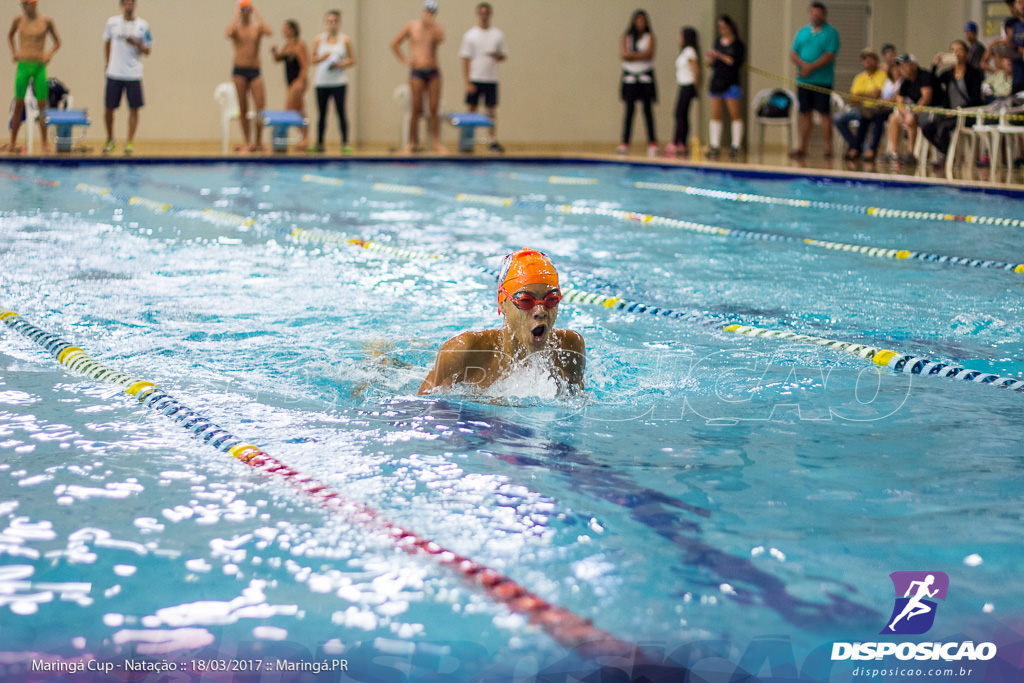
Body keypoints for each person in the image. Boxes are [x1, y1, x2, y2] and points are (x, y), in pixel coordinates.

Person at [418, 249, 585, 396]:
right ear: (502, 302)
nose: (540, 312)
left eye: (551, 300)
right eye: (526, 300)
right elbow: (422, 410)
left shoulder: (570, 348)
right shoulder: (463, 351)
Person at [391, 0, 446, 155]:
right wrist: (405, 60)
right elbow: (395, 43)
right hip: (417, 71)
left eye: (432, 12)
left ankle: (436, 142)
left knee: (434, 109)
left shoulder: (437, 28)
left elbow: (441, 39)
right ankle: (412, 141)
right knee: (416, 108)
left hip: (434, 71)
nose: (429, 14)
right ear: (423, 11)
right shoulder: (412, 26)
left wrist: (431, 27)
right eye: (427, 11)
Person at [6, 0, 61, 154]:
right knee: (18, 105)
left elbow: (57, 42)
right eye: (22, 5)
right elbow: (10, 35)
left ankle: (44, 144)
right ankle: (12, 143)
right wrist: (14, 52)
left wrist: (49, 54)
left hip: (39, 67)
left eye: (26, 4)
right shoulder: (18, 20)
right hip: (23, 65)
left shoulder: (46, 21)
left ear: (34, 4)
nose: (24, 8)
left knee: (42, 106)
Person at [790, 2, 841, 159]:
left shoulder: (831, 33)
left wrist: (811, 67)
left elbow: (829, 54)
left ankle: (828, 148)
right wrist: (803, 65)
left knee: (824, 113)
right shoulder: (802, 32)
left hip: (822, 81)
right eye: (813, 13)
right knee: (805, 114)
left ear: (824, 15)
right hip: (804, 81)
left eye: (819, 14)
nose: (816, 16)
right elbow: (793, 53)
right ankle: (802, 147)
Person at [102, 0, 151, 156]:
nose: (128, 6)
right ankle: (110, 139)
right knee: (109, 108)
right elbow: (107, 43)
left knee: (134, 108)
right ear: (122, 5)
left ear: (135, 5)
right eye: (126, 3)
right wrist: (107, 65)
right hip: (114, 72)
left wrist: (136, 43)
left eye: (131, 3)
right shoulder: (112, 23)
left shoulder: (143, 25)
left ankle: (129, 142)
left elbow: (148, 50)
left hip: (133, 74)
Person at [922, 40, 983, 161]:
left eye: (959, 50)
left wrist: (959, 110)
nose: (956, 53)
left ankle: (946, 157)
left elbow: (976, 97)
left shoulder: (974, 73)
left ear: (966, 53)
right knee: (927, 127)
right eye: (953, 50)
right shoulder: (948, 74)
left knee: (943, 127)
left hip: (966, 113)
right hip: (950, 113)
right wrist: (935, 66)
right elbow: (933, 85)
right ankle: (946, 151)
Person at [459, 2, 506, 154]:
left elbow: (503, 56)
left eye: (486, 14)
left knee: (491, 110)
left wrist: (496, 55)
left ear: (490, 15)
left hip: (490, 78)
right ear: (478, 15)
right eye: (481, 13)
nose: (484, 16)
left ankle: (492, 141)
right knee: (471, 109)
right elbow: (465, 59)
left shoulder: (497, 35)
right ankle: (467, 141)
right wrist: (467, 81)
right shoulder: (470, 35)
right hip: (475, 77)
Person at [226, 0, 271, 154]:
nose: (245, 12)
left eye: (247, 9)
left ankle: (258, 141)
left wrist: (257, 13)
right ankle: (247, 142)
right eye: (243, 10)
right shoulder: (236, 28)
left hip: (255, 71)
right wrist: (236, 16)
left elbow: (269, 31)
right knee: (243, 108)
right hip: (239, 71)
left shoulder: (257, 28)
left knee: (260, 108)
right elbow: (228, 33)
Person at [834, 48, 887, 161]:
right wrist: (866, 96)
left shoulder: (881, 75)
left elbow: (876, 95)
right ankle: (856, 145)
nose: (867, 61)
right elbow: (853, 100)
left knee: (868, 119)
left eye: (870, 59)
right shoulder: (859, 78)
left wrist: (861, 96)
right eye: (865, 59)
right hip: (859, 109)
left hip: (875, 109)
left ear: (876, 61)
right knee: (838, 118)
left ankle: (857, 148)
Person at [618, 9, 658, 157]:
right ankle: (625, 142)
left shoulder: (650, 37)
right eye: (638, 20)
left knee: (647, 110)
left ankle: (652, 141)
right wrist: (638, 55)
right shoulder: (627, 37)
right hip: (630, 77)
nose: (640, 23)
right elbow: (623, 55)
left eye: (643, 20)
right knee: (629, 111)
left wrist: (632, 55)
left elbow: (649, 54)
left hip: (645, 77)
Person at [705, 14, 745, 160]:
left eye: (723, 27)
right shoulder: (717, 42)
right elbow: (713, 65)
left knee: (735, 114)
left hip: (732, 83)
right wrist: (711, 59)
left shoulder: (738, 45)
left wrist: (721, 56)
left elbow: (736, 63)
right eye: (719, 27)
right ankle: (714, 145)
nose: (721, 30)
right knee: (716, 114)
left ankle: (735, 145)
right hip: (717, 82)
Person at [885, 54, 933, 164]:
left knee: (910, 120)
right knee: (894, 118)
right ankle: (894, 153)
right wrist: (906, 113)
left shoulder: (924, 76)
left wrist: (912, 113)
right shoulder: (905, 82)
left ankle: (911, 153)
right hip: (913, 113)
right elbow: (899, 102)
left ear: (913, 66)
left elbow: (926, 99)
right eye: (900, 67)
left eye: (904, 66)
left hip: (929, 112)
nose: (901, 69)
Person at [270, 19, 309, 150]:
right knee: (298, 111)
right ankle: (304, 138)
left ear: (293, 30)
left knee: (290, 111)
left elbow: (304, 66)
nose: (283, 31)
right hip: (290, 83)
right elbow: (279, 59)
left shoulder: (299, 45)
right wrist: (274, 52)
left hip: (297, 82)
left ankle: (301, 139)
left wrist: (299, 82)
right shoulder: (287, 45)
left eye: (286, 29)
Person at [666, 25, 699, 157]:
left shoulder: (690, 51)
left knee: (680, 114)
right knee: (681, 114)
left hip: (688, 86)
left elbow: (696, 70)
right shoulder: (685, 51)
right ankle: (680, 142)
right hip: (683, 85)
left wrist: (696, 87)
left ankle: (678, 142)